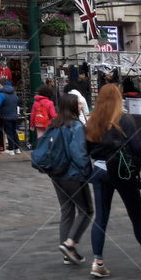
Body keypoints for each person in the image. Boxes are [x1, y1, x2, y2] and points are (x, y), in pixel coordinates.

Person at [86, 83, 141, 278]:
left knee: (101, 217)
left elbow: (88, 148)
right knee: (135, 215)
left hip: (99, 169)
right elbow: (135, 146)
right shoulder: (124, 119)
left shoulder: (93, 120)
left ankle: (97, 261)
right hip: (122, 170)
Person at [47, 94, 94, 266]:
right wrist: (88, 172)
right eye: (79, 104)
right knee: (86, 210)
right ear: (72, 106)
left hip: (56, 173)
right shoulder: (75, 126)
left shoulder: (54, 123)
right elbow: (78, 153)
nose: (81, 106)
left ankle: (67, 252)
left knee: (67, 210)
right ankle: (69, 244)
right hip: (72, 174)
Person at [0, 78, 20, 155]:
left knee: (8, 132)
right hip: (14, 115)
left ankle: (11, 149)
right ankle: (17, 148)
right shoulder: (13, 93)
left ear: (0, 85)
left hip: (6, 115)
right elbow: (18, 101)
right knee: (14, 131)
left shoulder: (1, 94)